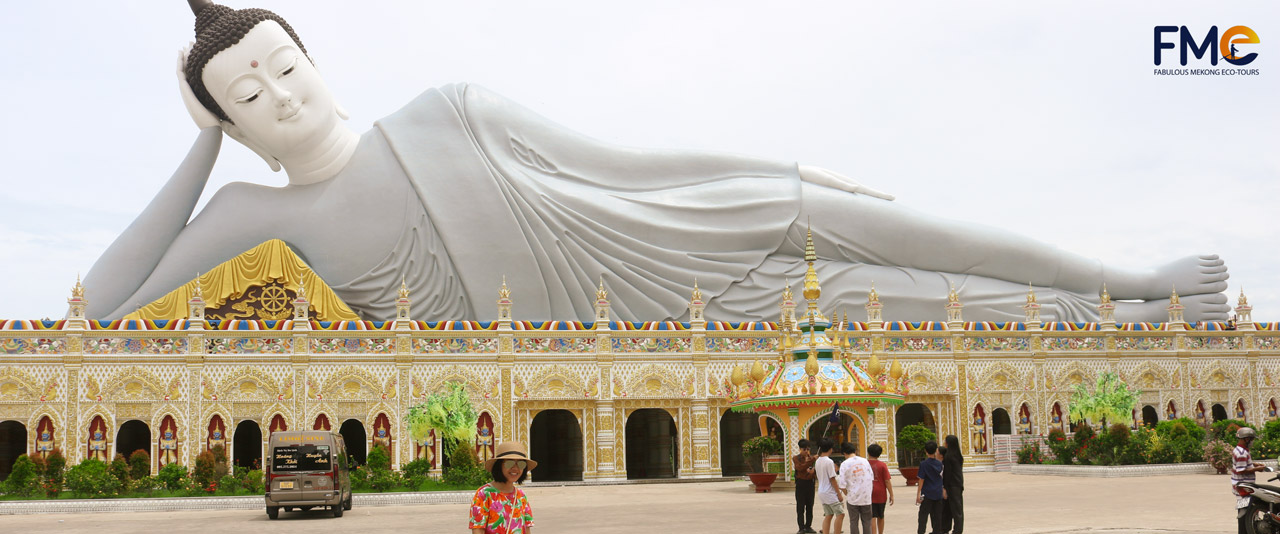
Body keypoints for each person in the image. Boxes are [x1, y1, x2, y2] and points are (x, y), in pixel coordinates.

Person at [80, 2, 1230, 323]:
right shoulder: (250, 209)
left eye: (283, 67)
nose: (279, 96)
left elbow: (628, 159)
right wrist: (195, 149)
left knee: (915, 233)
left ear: (313, 57)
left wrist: (782, 167)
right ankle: (1137, 323)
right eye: (245, 98)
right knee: (921, 312)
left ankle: (1125, 277)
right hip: (640, 323)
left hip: (669, 226)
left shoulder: (445, 105)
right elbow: (104, 305)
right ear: (229, 124)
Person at [1232, 428, 1269, 534]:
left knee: (1246, 511)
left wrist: (1254, 464)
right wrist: (1256, 469)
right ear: (1246, 439)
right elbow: (1242, 470)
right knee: (1245, 512)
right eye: (1251, 439)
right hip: (1244, 486)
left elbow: (1245, 465)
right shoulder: (1242, 453)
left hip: (1240, 485)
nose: (1252, 441)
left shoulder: (1240, 450)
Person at [839, 442, 875, 534]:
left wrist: (847, 493)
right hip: (866, 497)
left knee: (853, 522)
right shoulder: (865, 461)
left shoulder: (844, 464)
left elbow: (842, 485)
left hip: (853, 498)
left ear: (844, 453)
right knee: (867, 522)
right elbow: (871, 477)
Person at [909, 442, 946, 534]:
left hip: (927, 492)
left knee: (923, 515)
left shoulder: (924, 464)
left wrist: (918, 494)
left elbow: (921, 480)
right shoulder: (940, 464)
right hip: (937, 492)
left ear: (925, 451)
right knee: (937, 514)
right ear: (935, 451)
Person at [814, 438, 846, 534]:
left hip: (822, 491)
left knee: (829, 515)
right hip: (829, 491)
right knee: (840, 514)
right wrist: (839, 494)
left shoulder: (818, 460)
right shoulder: (828, 461)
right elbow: (832, 479)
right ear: (830, 448)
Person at [938, 435, 965, 534]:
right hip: (958, 484)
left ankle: (957, 530)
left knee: (955, 508)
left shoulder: (949, 457)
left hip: (952, 485)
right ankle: (945, 529)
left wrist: (944, 487)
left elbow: (947, 474)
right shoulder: (958, 455)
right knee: (951, 507)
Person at [867, 443, 894, 534]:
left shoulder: (865, 464)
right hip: (881, 493)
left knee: (872, 515)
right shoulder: (882, 465)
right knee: (881, 515)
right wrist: (891, 494)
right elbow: (887, 481)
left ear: (869, 453)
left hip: (869, 491)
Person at [792, 439, 817, 534]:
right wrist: (811, 461)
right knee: (800, 506)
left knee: (810, 506)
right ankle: (801, 527)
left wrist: (813, 471)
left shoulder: (812, 458)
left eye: (808, 449)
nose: (806, 451)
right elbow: (800, 468)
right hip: (800, 484)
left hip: (810, 483)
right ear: (800, 449)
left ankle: (808, 526)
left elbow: (817, 470)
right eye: (804, 449)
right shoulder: (796, 458)